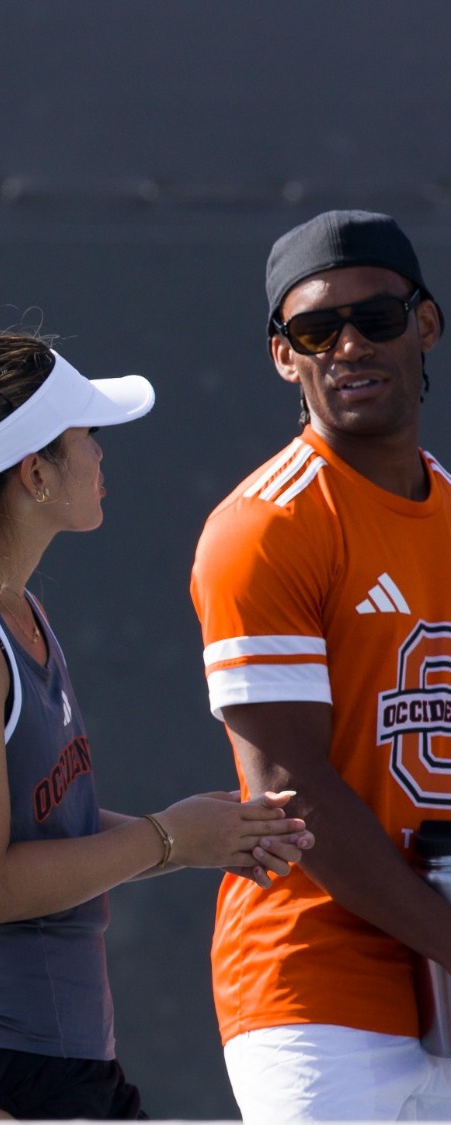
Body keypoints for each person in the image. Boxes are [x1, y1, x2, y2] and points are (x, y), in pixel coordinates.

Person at [0, 332, 312, 1118]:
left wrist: (211, 838)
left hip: (58, 1058)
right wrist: (169, 837)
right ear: (34, 473)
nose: (101, 455)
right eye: (85, 437)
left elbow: (45, 836)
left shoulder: (16, 612)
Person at [191, 210, 451, 1120]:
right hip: (316, 986)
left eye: (376, 318)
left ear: (425, 324)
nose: (348, 345)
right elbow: (296, 794)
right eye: (314, 330)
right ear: (282, 356)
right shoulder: (267, 525)